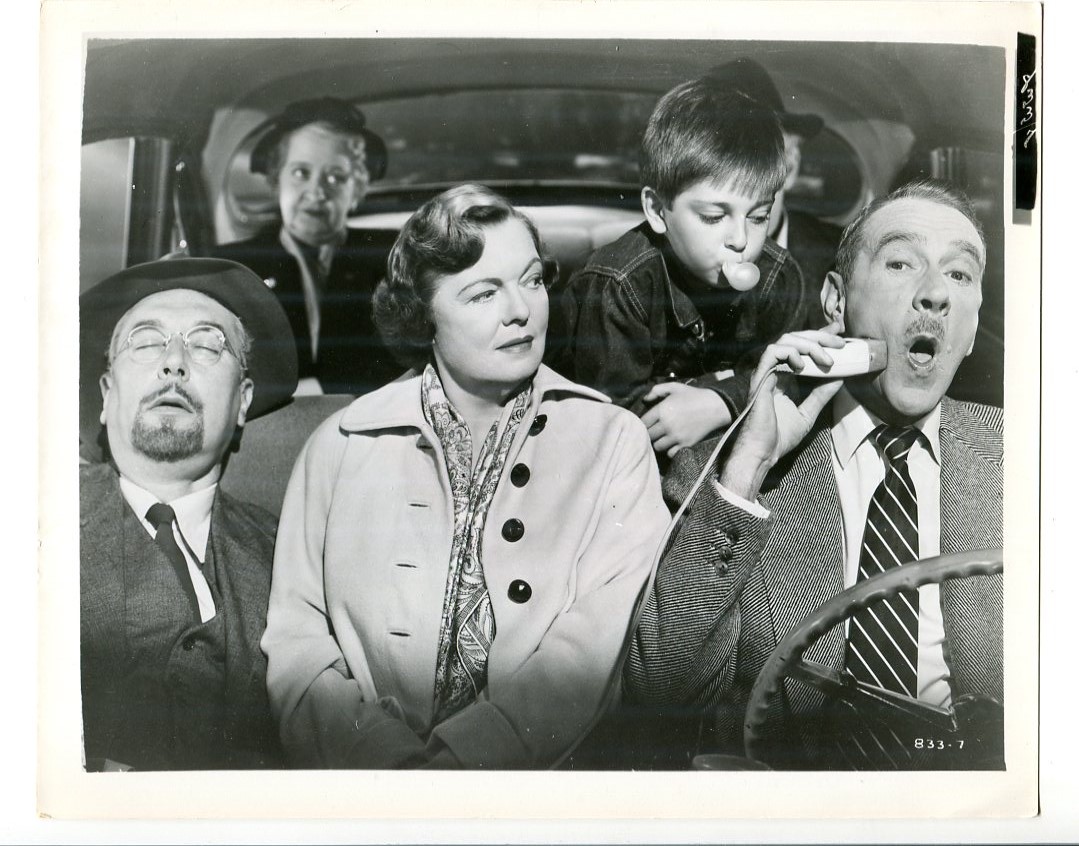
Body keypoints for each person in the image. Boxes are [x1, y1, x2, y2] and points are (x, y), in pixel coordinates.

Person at [262, 184, 669, 769]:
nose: (521, 310)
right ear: (422, 315)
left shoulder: (614, 441)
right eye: (483, 293)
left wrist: (468, 761)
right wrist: (383, 763)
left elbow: (592, 647)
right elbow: (298, 641)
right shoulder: (341, 445)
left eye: (532, 280)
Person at [625, 181, 1003, 769]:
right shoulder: (724, 471)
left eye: (959, 274)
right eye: (901, 264)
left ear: (974, 326)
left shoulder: (1026, 462)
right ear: (835, 302)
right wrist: (749, 468)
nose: (934, 294)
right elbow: (659, 697)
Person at [79, 257, 298, 771]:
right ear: (107, 395)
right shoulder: (33, 523)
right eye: (146, 341)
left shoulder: (292, 553)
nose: (173, 362)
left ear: (243, 402)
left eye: (206, 344)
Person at [555, 78, 812, 459]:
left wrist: (719, 402)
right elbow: (612, 422)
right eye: (713, 217)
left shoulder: (779, 277)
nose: (740, 239)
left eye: (759, 217)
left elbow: (793, 377)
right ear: (658, 211)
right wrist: (735, 387)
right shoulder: (616, 286)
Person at [211, 97, 401, 396]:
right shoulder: (231, 269)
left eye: (336, 177)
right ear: (276, 181)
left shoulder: (393, 259)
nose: (317, 192)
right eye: (301, 173)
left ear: (357, 190)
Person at [705, 58, 842, 308]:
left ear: (790, 168)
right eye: (711, 159)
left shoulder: (840, 259)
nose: (731, 179)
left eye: (755, 155)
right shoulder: (654, 272)